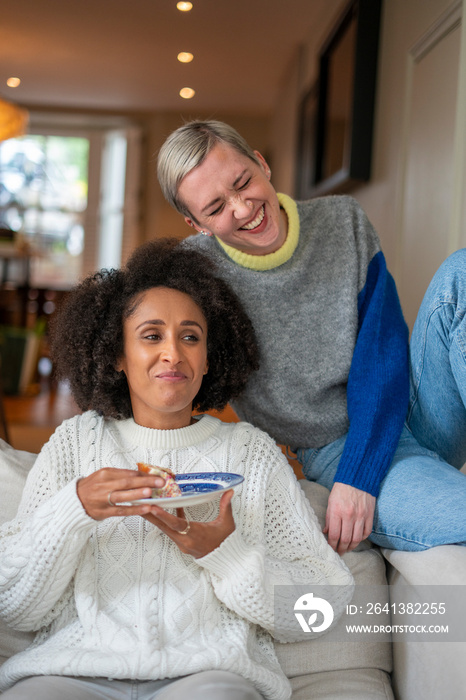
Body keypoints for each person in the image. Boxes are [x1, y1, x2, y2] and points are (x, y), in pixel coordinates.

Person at [0, 239, 353, 700]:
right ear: (116, 356)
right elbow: (15, 607)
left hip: (207, 678)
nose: (173, 353)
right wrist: (73, 510)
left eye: (191, 337)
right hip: (71, 673)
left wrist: (226, 554)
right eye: (151, 336)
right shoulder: (75, 444)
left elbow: (322, 606)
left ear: (209, 359)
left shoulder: (251, 453)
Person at [157, 120, 466, 555]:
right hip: (331, 445)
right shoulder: (194, 273)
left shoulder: (344, 220)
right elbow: (159, 362)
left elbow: (382, 353)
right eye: (216, 207)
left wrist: (361, 475)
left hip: (412, 406)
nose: (243, 209)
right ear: (197, 224)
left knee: (462, 272)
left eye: (243, 182)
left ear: (261, 164)